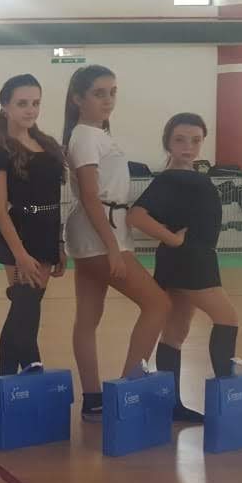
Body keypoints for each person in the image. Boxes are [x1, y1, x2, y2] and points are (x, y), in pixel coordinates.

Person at [63, 65, 171, 421]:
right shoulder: (85, 136)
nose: (108, 100)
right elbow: (90, 196)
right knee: (158, 304)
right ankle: (127, 389)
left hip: (98, 230)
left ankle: (94, 399)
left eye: (112, 92)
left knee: (87, 318)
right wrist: (112, 246)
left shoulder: (96, 134)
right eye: (99, 93)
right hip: (100, 233)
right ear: (78, 98)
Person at [128, 113, 238, 422]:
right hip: (192, 259)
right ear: (168, 142)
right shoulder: (173, 177)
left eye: (195, 140)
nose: (188, 146)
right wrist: (173, 240)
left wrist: (172, 242)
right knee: (227, 318)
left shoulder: (185, 176)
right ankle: (227, 400)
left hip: (184, 259)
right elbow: (136, 216)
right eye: (180, 140)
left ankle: (172, 404)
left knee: (176, 332)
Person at [0, 74, 67, 376]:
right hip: (20, 236)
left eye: (35, 103)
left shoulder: (47, 144)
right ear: (5, 106)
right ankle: (24, 376)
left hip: (47, 235)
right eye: (22, 103)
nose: (30, 110)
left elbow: (54, 198)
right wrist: (19, 254)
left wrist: (59, 244)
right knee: (25, 312)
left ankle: (11, 382)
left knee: (25, 314)